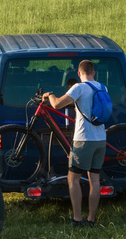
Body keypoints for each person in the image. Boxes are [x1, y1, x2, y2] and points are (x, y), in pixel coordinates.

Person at [43, 60, 106, 227]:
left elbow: (56, 104)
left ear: (79, 73)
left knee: (73, 178)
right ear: (93, 72)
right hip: (101, 139)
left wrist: (49, 94)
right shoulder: (102, 87)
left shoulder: (79, 87)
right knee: (95, 179)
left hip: (84, 140)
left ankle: (77, 219)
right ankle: (91, 219)